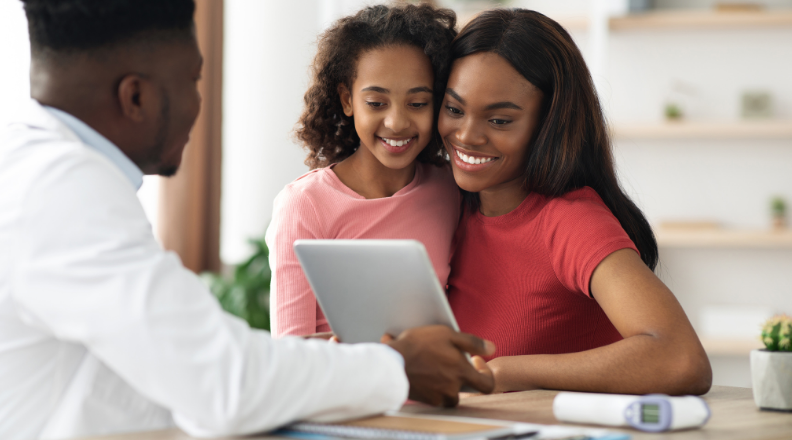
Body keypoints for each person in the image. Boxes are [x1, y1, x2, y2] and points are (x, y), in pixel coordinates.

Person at [0, 1, 495, 439]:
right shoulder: (61, 187)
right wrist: (398, 366)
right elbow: (222, 383)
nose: (198, 103)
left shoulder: (39, 170)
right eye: (193, 80)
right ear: (136, 97)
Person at [439, 9, 713, 396]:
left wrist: (508, 373)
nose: (466, 135)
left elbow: (681, 360)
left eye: (500, 121)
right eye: (454, 109)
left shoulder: (570, 220)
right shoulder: (441, 206)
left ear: (549, 124)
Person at [267, 4, 461, 337]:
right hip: (345, 390)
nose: (397, 122)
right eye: (376, 103)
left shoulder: (450, 189)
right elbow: (290, 354)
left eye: (418, 103)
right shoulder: (304, 205)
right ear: (347, 100)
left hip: (440, 390)